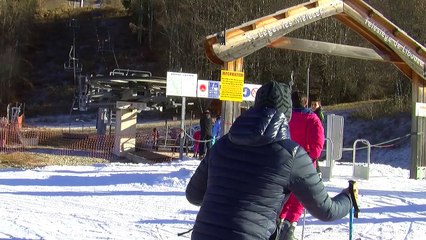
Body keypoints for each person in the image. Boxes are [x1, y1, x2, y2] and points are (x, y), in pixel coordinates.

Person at [185, 80, 354, 240]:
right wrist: (348, 197)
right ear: (287, 115)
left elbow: (193, 195)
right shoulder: (292, 154)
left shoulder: (222, 144)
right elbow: (326, 210)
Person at [277, 91, 325, 240]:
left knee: (284, 194)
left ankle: (278, 222)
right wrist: (310, 160)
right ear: (306, 103)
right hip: (303, 164)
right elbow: (317, 145)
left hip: (283, 162)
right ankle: (290, 226)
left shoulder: (284, 119)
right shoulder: (312, 119)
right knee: (300, 197)